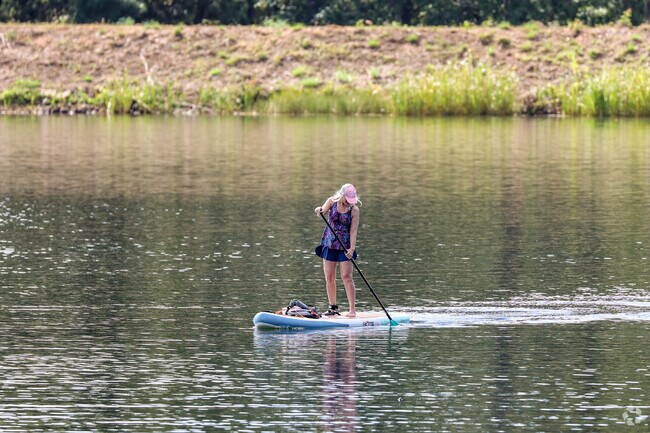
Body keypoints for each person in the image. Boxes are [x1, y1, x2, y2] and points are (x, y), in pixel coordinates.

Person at [314, 183, 361, 317]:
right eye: (347, 200)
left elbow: (353, 232)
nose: (349, 203)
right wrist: (319, 210)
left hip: (345, 246)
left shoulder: (354, 210)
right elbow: (321, 211)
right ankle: (333, 308)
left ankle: (352, 310)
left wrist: (352, 248)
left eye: (351, 201)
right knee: (329, 277)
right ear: (342, 195)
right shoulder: (331, 202)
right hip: (329, 244)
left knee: (347, 277)